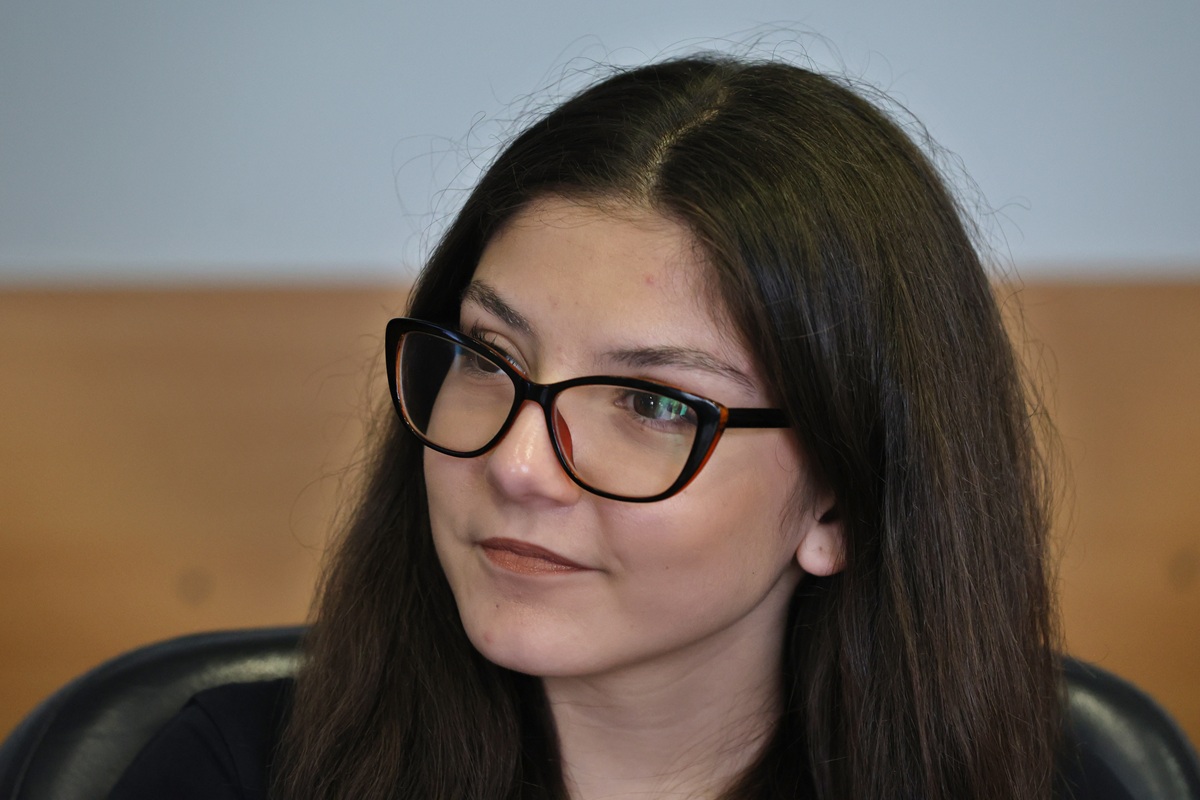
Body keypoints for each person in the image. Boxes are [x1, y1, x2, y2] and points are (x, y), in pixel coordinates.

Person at [112, 54, 1095, 800]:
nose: (518, 463)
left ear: (839, 502)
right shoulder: (235, 771)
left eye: (653, 402)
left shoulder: (1046, 785)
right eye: (490, 356)